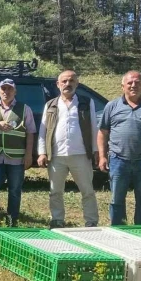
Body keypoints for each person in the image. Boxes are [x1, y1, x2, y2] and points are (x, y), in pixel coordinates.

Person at [98, 71, 141, 225]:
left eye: (137, 82)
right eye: (130, 83)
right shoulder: (112, 106)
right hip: (118, 160)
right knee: (117, 198)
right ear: (123, 86)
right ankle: (118, 228)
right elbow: (102, 132)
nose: (134, 85)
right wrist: (102, 156)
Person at [37, 70, 99, 228]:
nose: (67, 84)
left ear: (77, 83)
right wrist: (42, 152)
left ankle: (91, 221)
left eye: (71, 81)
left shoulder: (86, 102)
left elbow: (93, 127)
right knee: (55, 191)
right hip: (56, 156)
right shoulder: (50, 105)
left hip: (81, 154)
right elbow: (43, 131)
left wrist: (96, 151)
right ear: (58, 85)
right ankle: (57, 219)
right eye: (64, 81)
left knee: (87, 190)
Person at [0, 79, 36, 227]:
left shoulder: (25, 109)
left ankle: (12, 220)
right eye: (3, 89)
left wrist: (29, 155)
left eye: (9, 89)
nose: (6, 91)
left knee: (14, 190)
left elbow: (31, 133)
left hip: (17, 159)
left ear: (15, 92)